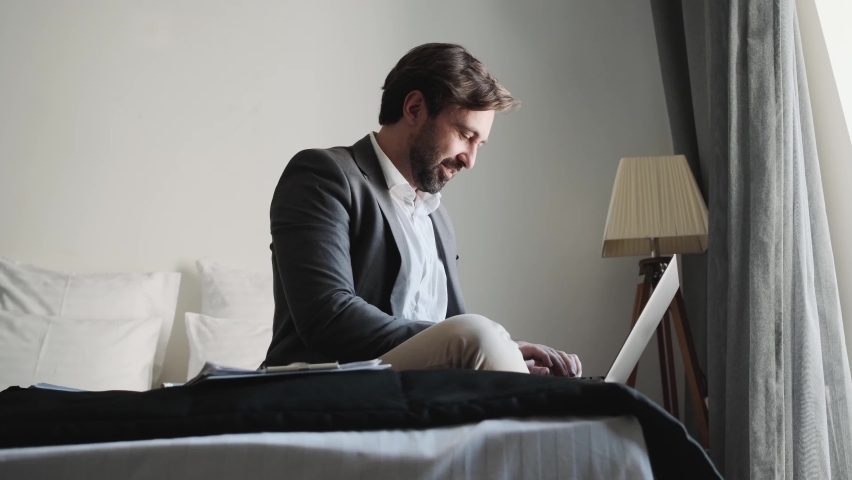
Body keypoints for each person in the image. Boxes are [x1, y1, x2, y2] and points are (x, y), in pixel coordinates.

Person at [264, 43, 581, 377]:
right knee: (480, 333)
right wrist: (476, 343)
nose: (470, 160)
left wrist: (506, 355)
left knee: (510, 356)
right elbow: (328, 317)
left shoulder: (437, 218)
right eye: (465, 135)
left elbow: (452, 330)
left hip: (420, 390)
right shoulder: (324, 175)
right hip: (326, 383)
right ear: (414, 109)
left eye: (479, 145)